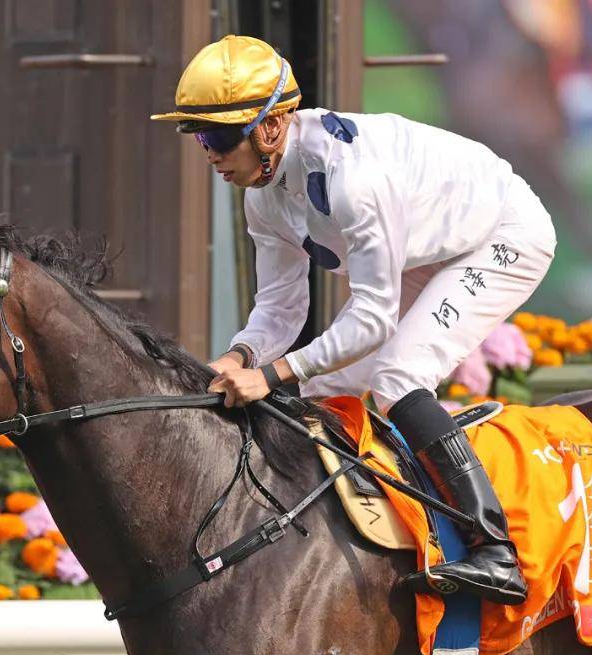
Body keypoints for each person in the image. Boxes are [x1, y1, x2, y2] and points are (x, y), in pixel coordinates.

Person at [151, 36, 558, 605]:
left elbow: (371, 319)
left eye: (219, 138)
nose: (210, 155)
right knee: (325, 387)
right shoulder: (261, 193)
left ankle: (494, 549)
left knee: (397, 377)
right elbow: (280, 308)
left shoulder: (353, 181)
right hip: (426, 250)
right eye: (199, 138)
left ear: (271, 127)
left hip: (501, 235)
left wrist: (269, 376)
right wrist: (238, 357)